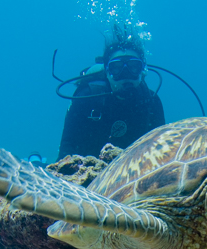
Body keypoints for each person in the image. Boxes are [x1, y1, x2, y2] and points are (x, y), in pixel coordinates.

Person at [58, 27, 165, 160]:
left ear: (143, 70)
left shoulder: (151, 102)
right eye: (117, 68)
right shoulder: (86, 97)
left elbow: (161, 151)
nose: (125, 74)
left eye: (133, 66)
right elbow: (66, 148)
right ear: (107, 71)